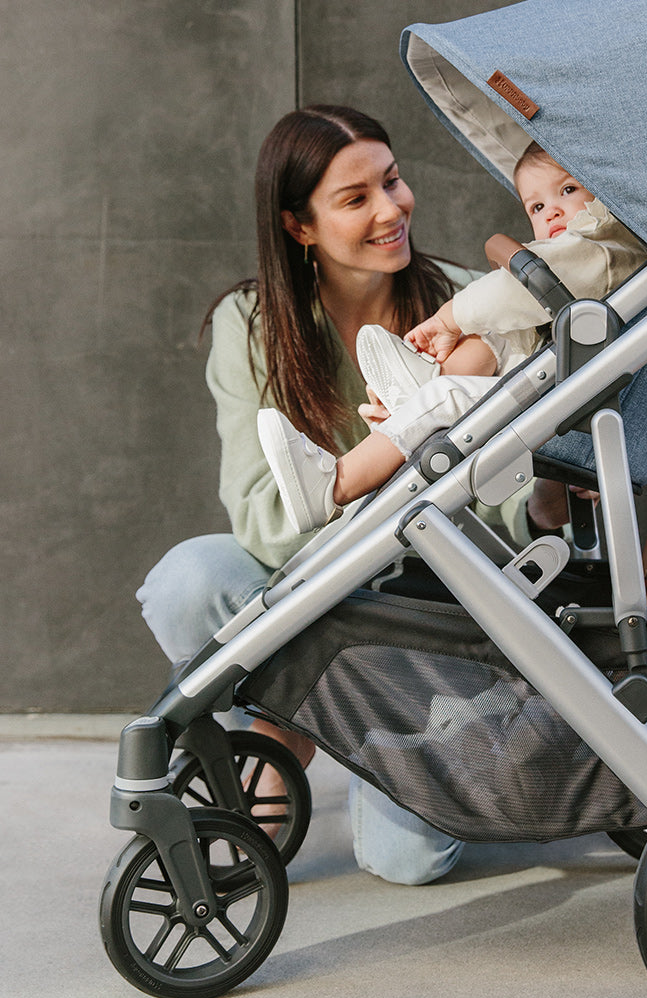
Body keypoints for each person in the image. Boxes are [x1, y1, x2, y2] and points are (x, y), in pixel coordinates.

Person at [136, 106, 574, 886]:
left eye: (393, 180)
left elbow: (506, 522)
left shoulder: (478, 307)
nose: (391, 208)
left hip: (430, 611)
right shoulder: (253, 325)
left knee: (407, 860)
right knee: (189, 582)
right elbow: (265, 521)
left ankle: (295, 724)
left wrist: (545, 494)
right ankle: (291, 730)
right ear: (299, 227)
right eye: (355, 197)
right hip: (316, 584)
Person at [255, 143, 647, 534]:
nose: (554, 211)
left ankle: (333, 485)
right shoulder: (255, 321)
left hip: (554, 402)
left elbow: (512, 292)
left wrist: (449, 318)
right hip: (546, 376)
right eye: (536, 207)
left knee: (443, 397)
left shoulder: (604, 248)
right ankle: (425, 383)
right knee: (492, 337)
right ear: (299, 227)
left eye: (568, 190)